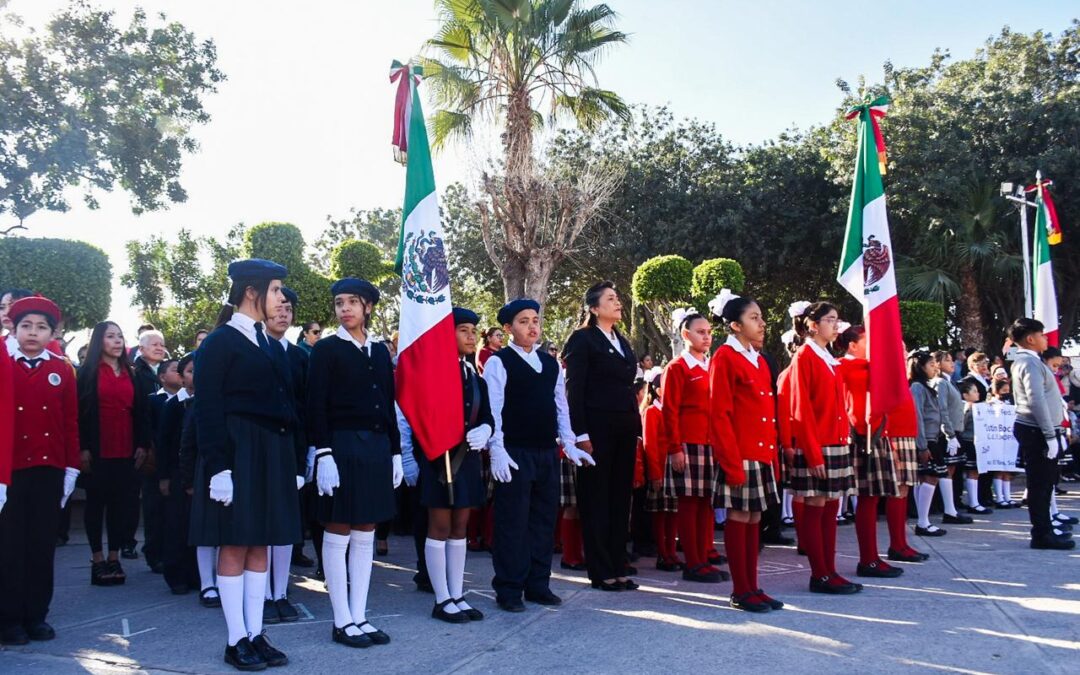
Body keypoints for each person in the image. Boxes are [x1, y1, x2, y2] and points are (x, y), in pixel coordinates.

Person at [190, 259, 301, 669]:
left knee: (261, 543)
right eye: (275, 290)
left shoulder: (267, 342)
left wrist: (294, 458)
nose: (280, 298)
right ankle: (235, 638)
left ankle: (256, 633)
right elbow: (208, 407)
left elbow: (286, 404)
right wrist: (219, 467)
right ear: (252, 292)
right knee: (234, 544)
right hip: (237, 452)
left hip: (270, 452)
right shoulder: (220, 341)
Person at [483, 298, 595, 612]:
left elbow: (561, 406)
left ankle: (538, 584)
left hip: (546, 451)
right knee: (512, 522)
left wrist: (568, 442)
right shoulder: (499, 362)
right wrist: (498, 449)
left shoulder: (550, 364)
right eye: (523, 321)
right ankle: (508, 588)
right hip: (515, 452)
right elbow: (495, 409)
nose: (532, 326)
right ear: (508, 328)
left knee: (544, 521)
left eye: (535, 320)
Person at [307, 277, 401, 648]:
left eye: (352, 302)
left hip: (376, 448)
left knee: (366, 531)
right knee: (338, 529)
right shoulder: (327, 349)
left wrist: (395, 451)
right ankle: (341, 619)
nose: (344, 308)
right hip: (342, 447)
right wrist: (324, 452)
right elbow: (315, 404)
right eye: (339, 303)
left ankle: (360, 616)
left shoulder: (379, 351)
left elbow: (389, 403)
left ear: (368, 308)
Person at [402, 307, 493, 623]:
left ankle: (457, 593)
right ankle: (441, 598)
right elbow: (418, 414)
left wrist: (486, 429)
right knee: (439, 528)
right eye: (463, 330)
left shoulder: (473, 374)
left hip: (466, 461)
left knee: (459, 529)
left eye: (473, 331)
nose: (471, 336)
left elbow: (486, 414)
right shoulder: (433, 371)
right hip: (439, 460)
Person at [0, 296, 80, 645]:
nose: (33, 333)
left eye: (41, 327)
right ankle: (9, 619)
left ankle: (37, 615)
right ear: (14, 329)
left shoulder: (61, 368)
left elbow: (70, 422)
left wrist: (71, 467)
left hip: (48, 468)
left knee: (41, 546)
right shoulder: (4, 363)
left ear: (52, 333)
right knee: (10, 547)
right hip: (10, 471)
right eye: (26, 326)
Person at [708, 291, 784, 612]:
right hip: (739, 454)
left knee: (754, 518)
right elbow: (719, 413)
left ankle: (754, 586)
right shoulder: (725, 357)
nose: (762, 323)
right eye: (754, 317)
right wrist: (731, 462)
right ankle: (740, 590)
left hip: (761, 454)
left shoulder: (757, 358)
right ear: (735, 325)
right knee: (740, 518)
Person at [563, 281, 641, 592]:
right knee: (596, 499)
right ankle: (601, 569)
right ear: (594, 308)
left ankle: (618, 564)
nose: (618, 303)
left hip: (624, 429)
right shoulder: (582, 339)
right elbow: (575, 390)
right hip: (596, 430)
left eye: (617, 297)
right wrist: (579, 433)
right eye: (610, 299)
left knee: (621, 499)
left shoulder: (621, 340)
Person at [787, 301, 859, 594]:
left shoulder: (828, 356)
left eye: (836, 319)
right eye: (830, 319)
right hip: (818, 444)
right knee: (817, 508)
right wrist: (812, 451)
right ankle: (820, 574)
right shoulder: (805, 355)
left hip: (836, 442)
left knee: (831, 509)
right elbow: (800, 407)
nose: (835, 324)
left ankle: (830, 570)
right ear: (813, 325)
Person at [77, 321, 153, 587]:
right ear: (100, 341)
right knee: (96, 504)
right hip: (97, 449)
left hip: (127, 449)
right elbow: (80, 413)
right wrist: (83, 447)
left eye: (120, 336)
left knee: (122, 506)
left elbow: (142, 413)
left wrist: (143, 444)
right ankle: (97, 559)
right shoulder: (87, 372)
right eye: (110, 336)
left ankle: (114, 556)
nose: (117, 341)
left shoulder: (132, 373)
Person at [661, 309, 728, 584]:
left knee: (706, 505)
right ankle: (693, 562)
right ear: (685, 334)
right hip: (688, 445)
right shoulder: (677, 367)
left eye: (709, 332)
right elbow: (669, 410)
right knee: (689, 506)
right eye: (700, 332)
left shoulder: (711, 366)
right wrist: (675, 448)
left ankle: (704, 557)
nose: (707, 337)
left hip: (711, 444)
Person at [834, 326, 903, 580]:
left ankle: (872, 557)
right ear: (852, 345)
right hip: (859, 436)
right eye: (866, 341)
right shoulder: (843, 365)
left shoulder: (873, 366)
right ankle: (867, 558)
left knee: (872, 498)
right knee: (864, 498)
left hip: (877, 434)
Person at [261, 286, 307, 625]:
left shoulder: (300, 357)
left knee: (285, 525)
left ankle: (280, 591)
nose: (283, 313)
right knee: (260, 525)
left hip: (289, 448)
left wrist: (304, 457)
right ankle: (261, 592)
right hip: (257, 448)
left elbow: (305, 409)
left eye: (289, 309)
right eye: (278, 306)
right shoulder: (252, 349)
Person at [1008, 318, 1073, 550]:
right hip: (1036, 430)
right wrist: (1048, 435)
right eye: (1042, 335)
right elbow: (1035, 400)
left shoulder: (1033, 361)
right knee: (1040, 484)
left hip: (1040, 429)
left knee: (1046, 483)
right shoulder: (1028, 362)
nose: (1046, 338)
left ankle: (1046, 530)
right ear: (1030, 338)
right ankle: (1042, 534)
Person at [157, 353, 199, 595]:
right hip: (175, 473)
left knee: (195, 527)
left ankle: (195, 574)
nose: (195, 375)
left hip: (196, 472)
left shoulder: (206, 401)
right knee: (176, 525)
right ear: (182, 377)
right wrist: (163, 477)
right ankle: (175, 575)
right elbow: (163, 443)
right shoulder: (173, 405)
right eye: (190, 371)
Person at [132, 329, 169, 568]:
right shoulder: (135, 373)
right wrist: (144, 443)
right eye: (153, 344)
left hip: (166, 446)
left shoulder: (166, 371)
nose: (159, 347)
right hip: (149, 447)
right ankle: (153, 553)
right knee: (153, 505)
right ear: (141, 348)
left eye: (161, 344)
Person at [641, 367, 680, 571]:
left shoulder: (672, 411)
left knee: (673, 511)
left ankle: (672, 552)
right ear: (657, 390)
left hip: (673, 467)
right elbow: (650, 445)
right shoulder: (652, 412)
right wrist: (655, 473)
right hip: (660, 467)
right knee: (660, 513)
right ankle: (663, 554)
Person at [909, 351, 950, 538]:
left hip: (933, 437)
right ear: (920, 366)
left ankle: (923, 520)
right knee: (930, 478)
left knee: (927, 478)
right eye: (931, 364)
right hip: (926, 440)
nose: (936, 367)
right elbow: (917, 416)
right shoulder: (917, 387)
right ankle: (923, 522)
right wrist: (922, 445)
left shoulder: (926, 386)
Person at [931, 351, 974, 524]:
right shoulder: (940, 382)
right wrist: (949, 434)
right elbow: (942, 409)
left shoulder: (949, 382)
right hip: (946, 432)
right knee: (945, 470)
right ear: (938, 364)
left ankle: (950, 508)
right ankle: (948, 510)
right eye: (947, 360)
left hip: (955, 430)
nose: (952, 363)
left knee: (951, 470)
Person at [0, 287, 33, 353]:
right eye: (2, 307)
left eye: (13, 307)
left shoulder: (46, 343)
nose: (5, 313)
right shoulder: (1, 342)